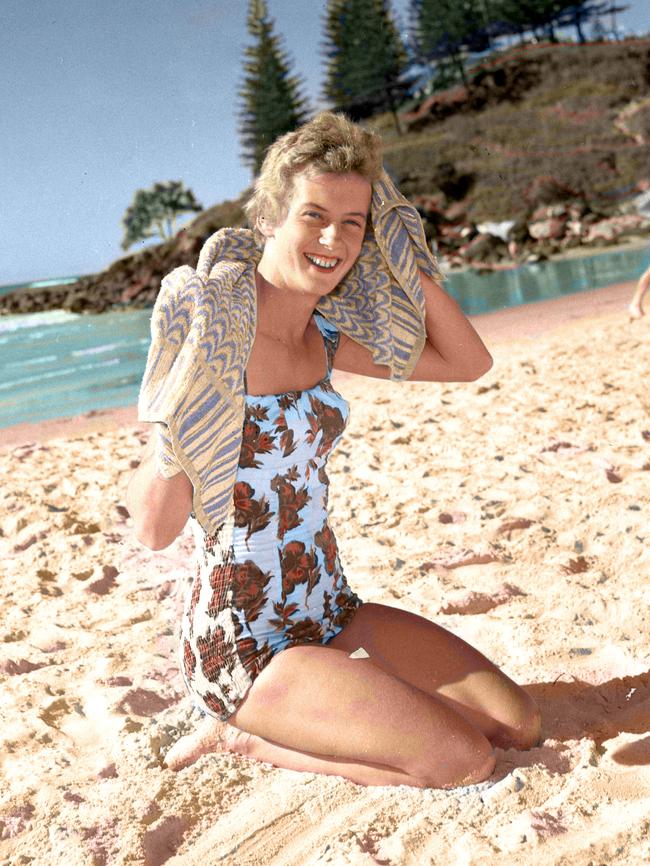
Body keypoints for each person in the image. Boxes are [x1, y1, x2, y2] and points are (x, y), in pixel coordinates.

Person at [126, 112, 540, 789]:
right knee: (463, 759)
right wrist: (180, 410)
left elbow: (468, 362)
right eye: (314, 215)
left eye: (354, 223)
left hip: (329, 610)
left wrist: (407, 256)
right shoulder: (216, 334)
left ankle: (350, 707)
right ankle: (242, 740)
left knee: (517, 724)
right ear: (268, 218)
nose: (333, 239)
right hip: (248, 648)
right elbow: (153, 529)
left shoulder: (323, 336)